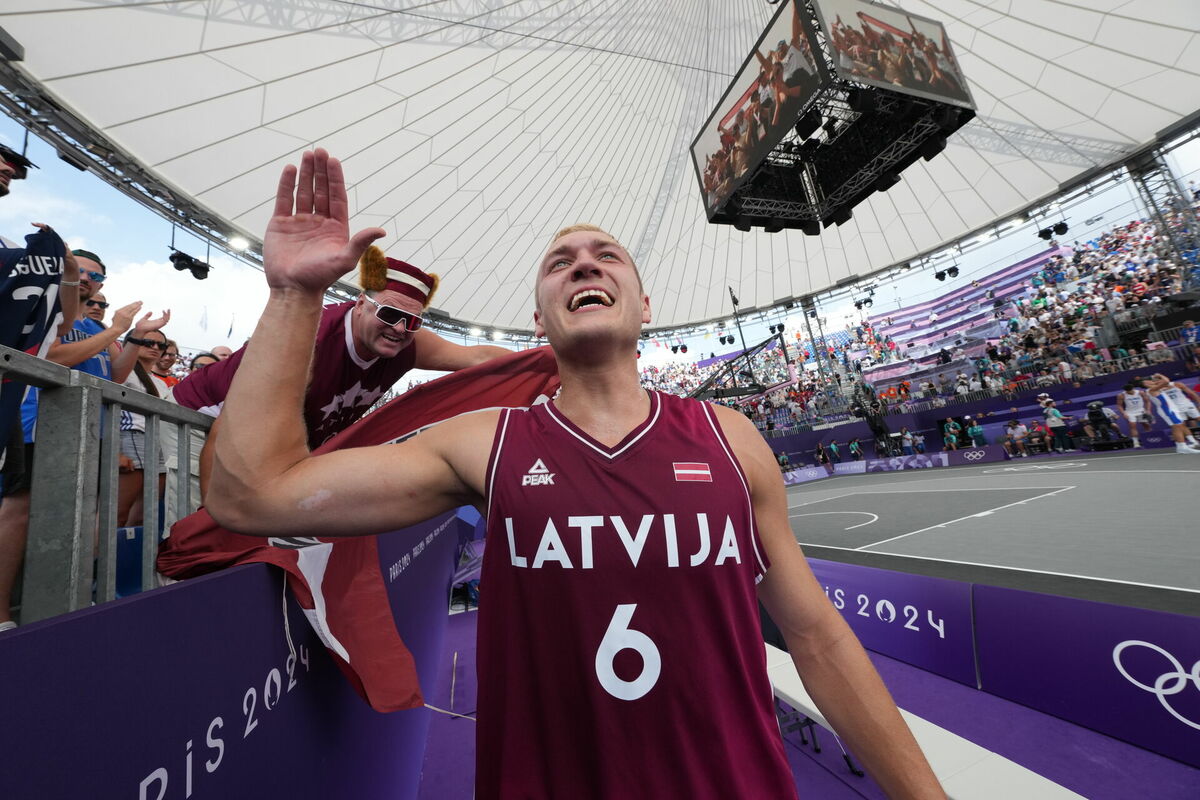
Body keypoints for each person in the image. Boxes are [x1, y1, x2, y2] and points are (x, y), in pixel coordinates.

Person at [206, 149, 941, 799]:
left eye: (606, 255)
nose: (584, 263)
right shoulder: (482, 444)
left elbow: (816, 637)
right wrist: (296, 295)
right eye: (561, 263)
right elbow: (250, 494)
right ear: (538, 322)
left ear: (644, 306)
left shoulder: (730, 439)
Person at [174, 245, 510, 494]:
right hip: (201, 423)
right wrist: (210, 515)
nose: (400, 328)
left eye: (413, 321)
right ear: (361, 304)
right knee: (194, 530)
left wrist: (555, 360)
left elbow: (479, 358)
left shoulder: (409, 343)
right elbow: (229, 427)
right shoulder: (311, 340)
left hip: (272, 445)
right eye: (390, 315)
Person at [1146, 373, 1200, 454]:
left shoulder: (1177, 384)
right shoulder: (1157, 389)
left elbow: (1191, 393)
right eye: (1154, 380)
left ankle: (1184, 445)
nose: (1156, 381)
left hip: (1187, 405)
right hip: (1175, 408)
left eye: (1158, 379)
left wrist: (1199, 403)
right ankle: (1193, 442)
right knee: (1182, 425)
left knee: (1198, 419)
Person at [1116, 381, 1152, 448]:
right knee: (1133, 426)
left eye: (1130, 391)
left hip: (1141, 410)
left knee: (1146, 424)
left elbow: (1147, 401)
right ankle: (1136, 443)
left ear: (1133, 388)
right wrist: (1123, 413)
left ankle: (1150, 438)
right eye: (1128, 391)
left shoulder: (1140, 392)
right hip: (1130, 412)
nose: (1129, 392)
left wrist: (1148, 410)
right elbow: (1119, 405)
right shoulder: (1121, 395)